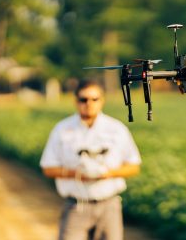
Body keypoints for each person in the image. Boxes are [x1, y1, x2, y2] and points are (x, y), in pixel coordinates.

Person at [40, 79, 142, 240]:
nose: (89, 103)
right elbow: (48, 167)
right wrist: (77, 173)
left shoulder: (116, 129)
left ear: (102, 100)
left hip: (109, 206)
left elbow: (134, 165)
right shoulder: (63, 129)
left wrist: (107, 174)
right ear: (76, 101)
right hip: (77, 205)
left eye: (94, 99)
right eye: (83, 99)